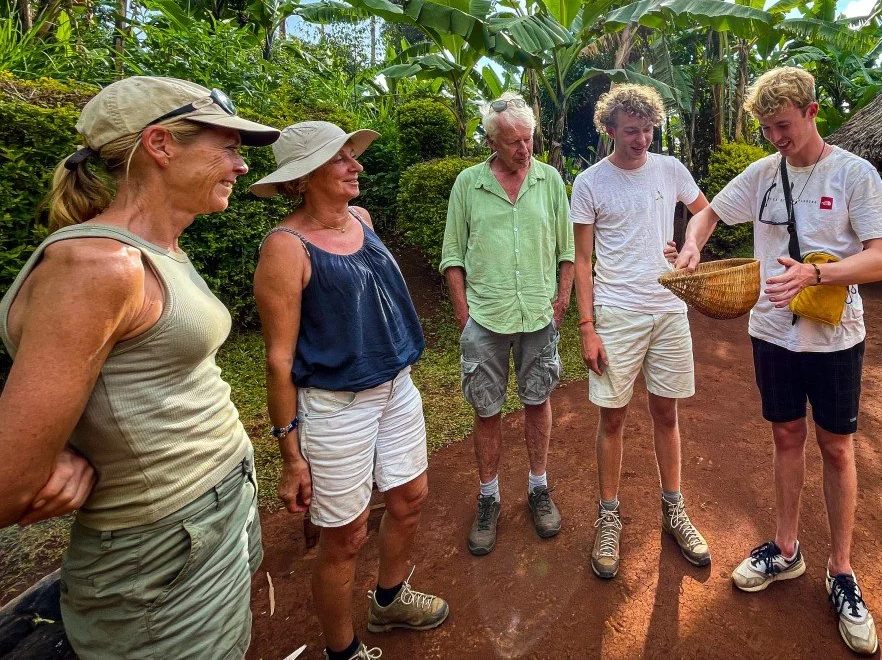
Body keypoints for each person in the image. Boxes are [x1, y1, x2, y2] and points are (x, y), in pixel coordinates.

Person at [0, 77, 280, 660]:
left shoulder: (159, 249)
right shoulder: (99, 267)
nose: (240, 166)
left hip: (208, 514)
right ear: (160, 145)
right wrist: (42, 466)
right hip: (162, 547)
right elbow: (9, 483)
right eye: (227, 147)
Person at [675, 66, 882, 656]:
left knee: (838, 445)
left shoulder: (854, 174)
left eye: (784, 125)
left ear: (812, 112)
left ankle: (842, 571)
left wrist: (818, 272)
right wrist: (695, 242)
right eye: (767, 127)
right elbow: (709, 213)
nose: (776, 136)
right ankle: (787, 549)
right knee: (786, 437)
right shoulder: (763, 174)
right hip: (772, 332)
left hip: (836, 336)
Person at [252, 121, 448, 660]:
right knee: (347, 534)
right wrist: (290, 454)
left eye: (350, 156)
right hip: (337, 408)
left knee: (409, 499)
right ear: (303, 178)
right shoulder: (285, 248)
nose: (355, 165)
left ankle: (388, 600)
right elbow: (279, 358)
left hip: (397, 390)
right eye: (340, 159)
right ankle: (343, 651)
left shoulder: (362, 218)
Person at [570, 84, 712, 580]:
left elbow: (704, 212)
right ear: (609, 130)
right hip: (617, 313)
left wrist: (691, 247)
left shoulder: (670, 169)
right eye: (631, 131)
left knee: (667, 413)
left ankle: (674, 510)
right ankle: (609, 516)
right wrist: (587, 327)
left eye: (648, 129)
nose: (642, 139)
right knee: (612, 419)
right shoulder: (589, 183)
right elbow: (582, 262)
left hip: (669, 308)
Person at [440, 92, 574, 556]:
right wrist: (465, 317)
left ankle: (538, 487)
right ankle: (489, 496)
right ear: (492, 142)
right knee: (486, 409)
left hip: (539, 314)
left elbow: (566, 249)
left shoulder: (550, 180)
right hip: (486, 318)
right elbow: (452, 257)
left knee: (538, 399)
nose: (525, 148)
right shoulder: (468, 185)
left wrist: (561, 302)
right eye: (514, 141)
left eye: (529, 138)